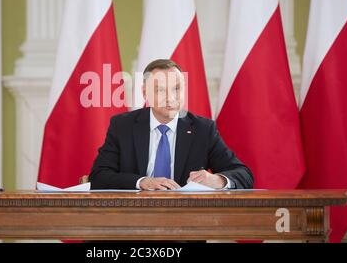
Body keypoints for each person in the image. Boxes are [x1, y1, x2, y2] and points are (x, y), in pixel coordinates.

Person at [90, 59, 253, 190]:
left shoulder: (203, 129)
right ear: (145, 92)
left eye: (177, 89)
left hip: (187, 219)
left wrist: (216, 180)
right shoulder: (123, 126)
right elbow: (98, 176)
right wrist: (142, 182)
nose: (171, 97)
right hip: (135, 216)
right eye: (161, 90)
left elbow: (244, 174)